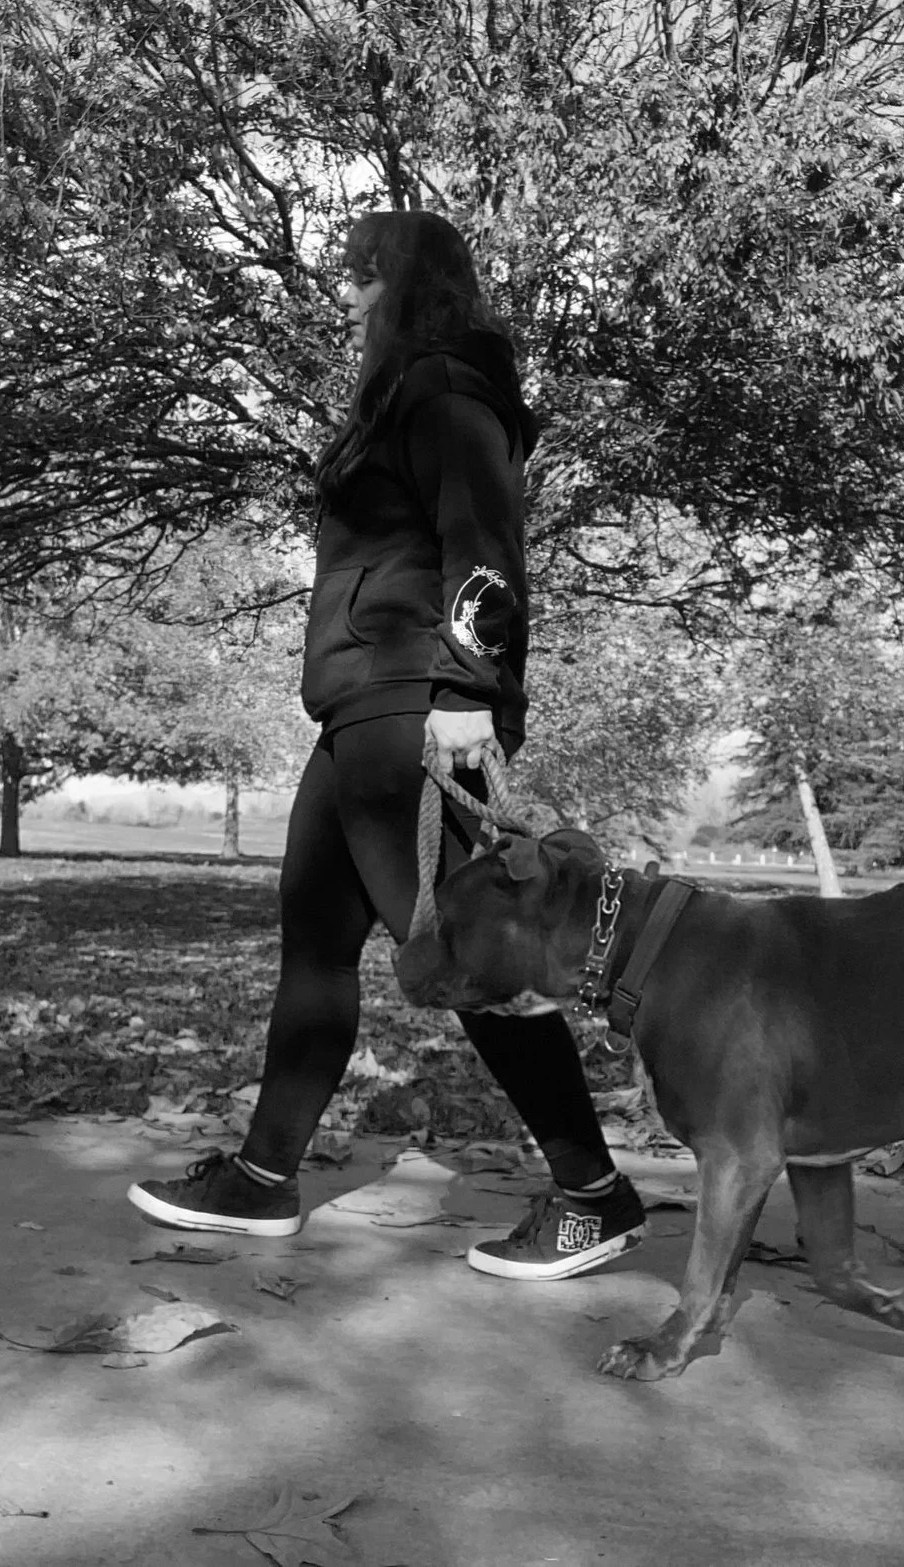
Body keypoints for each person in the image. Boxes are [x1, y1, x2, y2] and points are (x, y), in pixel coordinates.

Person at [128, 209, 645, 1279]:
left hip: (411, 700)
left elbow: (484, 543)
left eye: (361, 276)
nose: (344, 296)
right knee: (315, 947)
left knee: (470, 953)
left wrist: (469, 689)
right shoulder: (395, 397)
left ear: (407, 283)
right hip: (355, 708)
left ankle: (595, 1193)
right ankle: (263, 1179)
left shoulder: (448, 388)